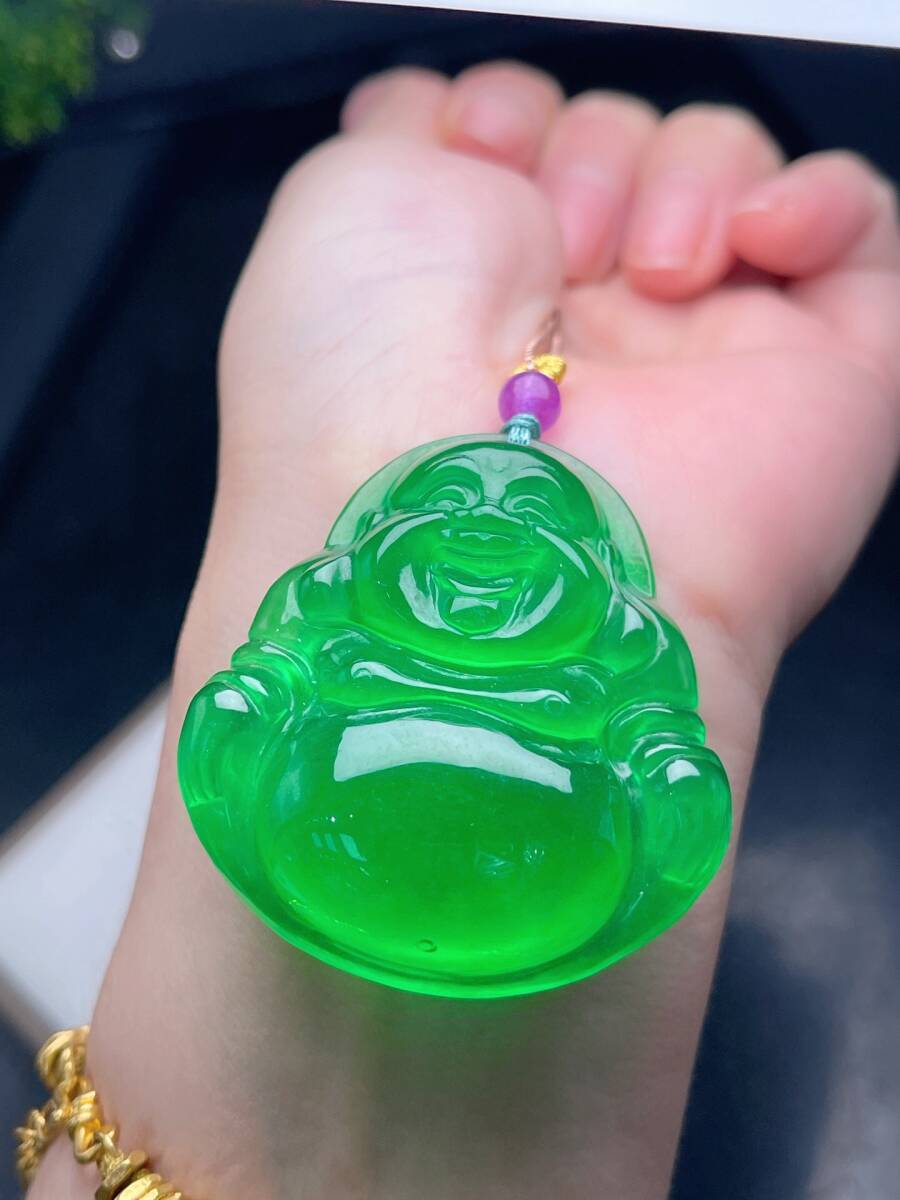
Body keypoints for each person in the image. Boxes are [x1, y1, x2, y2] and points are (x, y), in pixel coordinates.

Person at [29, 61, 900, 1200]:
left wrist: (679, 738)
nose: (485, 526)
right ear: (376, 534)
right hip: (330, 804)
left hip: (553, 840)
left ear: (593, 562)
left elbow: (660, 745)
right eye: (448, 503)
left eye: (529, 512)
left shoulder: (622, 642)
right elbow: (264, 679)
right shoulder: (336, 606)